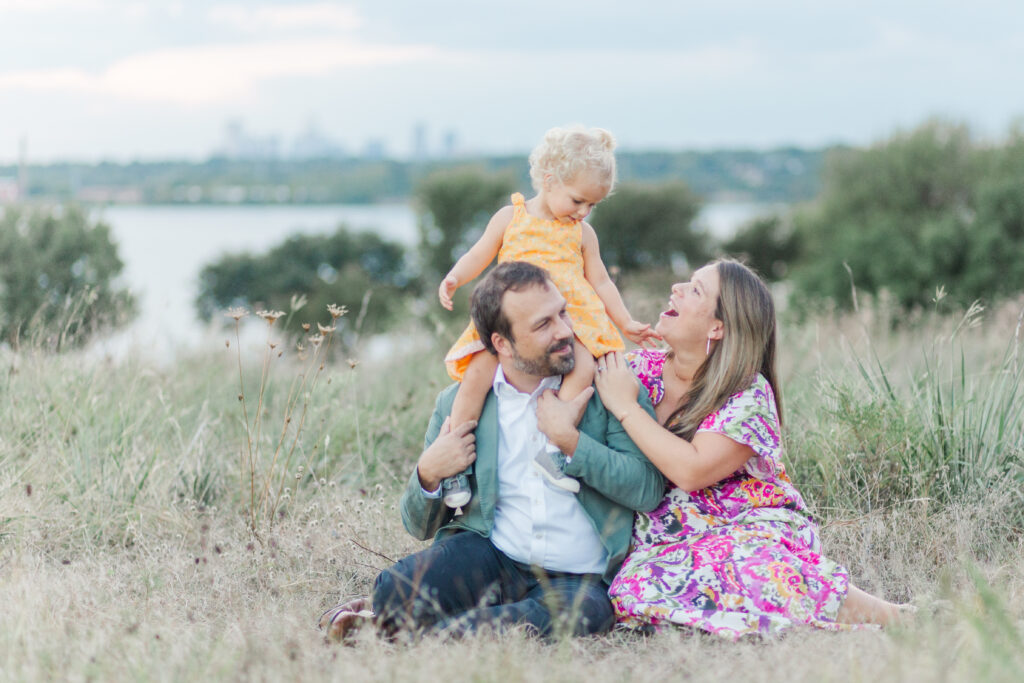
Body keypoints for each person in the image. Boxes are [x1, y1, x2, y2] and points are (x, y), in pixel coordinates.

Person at [319, 261, 665, 640]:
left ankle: (423, 636)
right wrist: (428, 474)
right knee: (393, 590)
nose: (565, 330)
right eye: (543, 324)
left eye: (562, 313)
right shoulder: (458, 405)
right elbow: (418, 526)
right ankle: (427, 626)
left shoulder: (607, 391)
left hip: (579, 579)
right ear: (502, 343)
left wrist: (572, 443)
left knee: (575, 616)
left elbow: (646, 490)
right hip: (494, 557)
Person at [593, 259, 913, 640]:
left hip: (747, 525)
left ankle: (897, 618)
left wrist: (626, 408)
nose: (676, 288)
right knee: (634, 589)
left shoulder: (747, 393)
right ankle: (785, 627)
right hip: (665, 536)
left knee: (752, 566)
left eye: (695, 289)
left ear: (718, 326)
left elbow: (691, 472)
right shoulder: (637, 369)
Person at [437, 125, 660, 509]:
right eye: (578, 200)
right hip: (512, 316)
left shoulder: (583, 233)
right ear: (550, 180)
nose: (584, 212)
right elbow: (480, 253)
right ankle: (456, 454)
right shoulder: (512, 216)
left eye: (593, 205)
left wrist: (624, 322)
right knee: (477, 370)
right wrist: (456, 277)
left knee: (585, 365)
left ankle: (554, 449)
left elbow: (602, 282)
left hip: (572, 318)